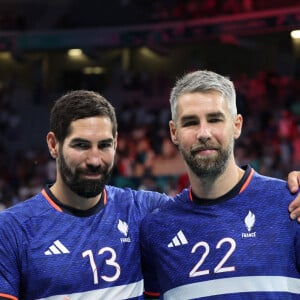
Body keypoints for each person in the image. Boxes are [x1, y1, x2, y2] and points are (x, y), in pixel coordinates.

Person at [0, 89, 299, 300]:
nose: (94, 159)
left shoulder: (149, 213)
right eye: (80, 145)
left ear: (117, 143)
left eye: (104, 145)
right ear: (53, 144)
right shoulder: (13, 230)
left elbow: (213, 205)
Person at [140, 70, 300, 299]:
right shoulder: (156, 230)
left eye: (214, 119)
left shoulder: (291, 205)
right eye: (190, 122)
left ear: (237, 125)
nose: (203, 133)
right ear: (174, 132)